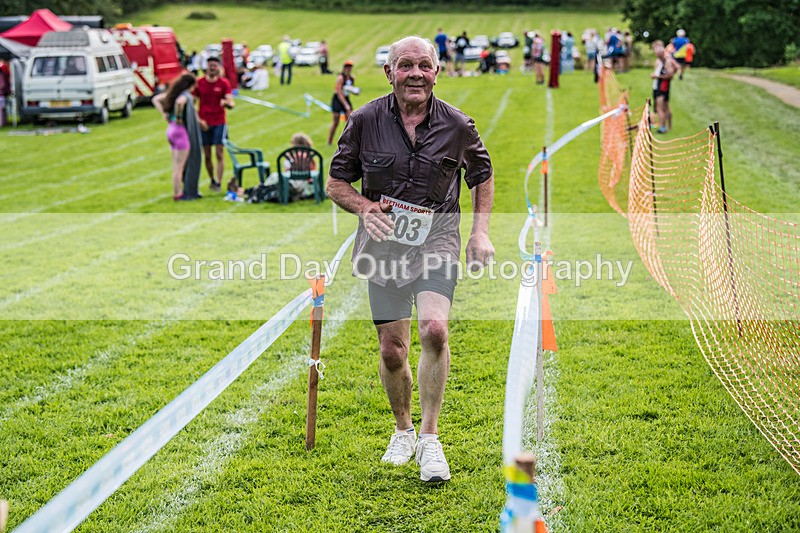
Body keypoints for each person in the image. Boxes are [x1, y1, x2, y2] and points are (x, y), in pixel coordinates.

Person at [325, 36, 495, 483]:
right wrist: (363, 207)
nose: (415, 74)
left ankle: (432, 440)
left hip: (437, 241)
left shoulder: (459, 126)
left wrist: (479, 232)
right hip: (383, 249)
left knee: (434, 331)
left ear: (437, 72)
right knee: (392, 350)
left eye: (424, 65)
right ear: (389, 73)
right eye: (405, 66)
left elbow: (483, 175)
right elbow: (336, 181)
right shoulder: (363, 121)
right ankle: (404, 430)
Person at [152, 73, 202, 200]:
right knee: (179, 167)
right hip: (181, 132)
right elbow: (181, 103)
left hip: (171, 130)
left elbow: (156, 99)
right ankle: (179, 193)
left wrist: (164, 113)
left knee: (176, 165)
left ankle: (178, 192)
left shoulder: (173, 93)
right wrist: (179, 117)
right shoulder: (184, 95)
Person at [194, 56, 234, 191]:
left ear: (219, 67)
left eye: (215, 65)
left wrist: (227, 103)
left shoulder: (224, 83)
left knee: (219, 153)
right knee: (207, 154)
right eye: (210, 65)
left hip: (219, 122)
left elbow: (230, 101)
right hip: (204, 122)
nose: (212, 68)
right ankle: (211, 178)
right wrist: (199, 120)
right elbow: (192, 102)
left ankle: (218, 181)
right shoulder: (199, 83)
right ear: (207, 66)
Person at [651, 40, 679, 134]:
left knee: (660, 108)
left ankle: (662, 127)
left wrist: (658, 76)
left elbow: (670, 74)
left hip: (662, 86)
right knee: (665, 106)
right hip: (662, 86)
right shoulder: (662, 60)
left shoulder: (666, 61)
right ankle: (669, 126)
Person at [328, 60, 356, 145]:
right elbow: (339, 92)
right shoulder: (340, 78)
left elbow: (350, 89)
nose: (348, 69)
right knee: (336, 121)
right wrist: (345, 104)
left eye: (350, 67)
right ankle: (330, 140)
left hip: (346, 98)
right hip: (338, 99)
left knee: (351, 120)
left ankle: (350, 140)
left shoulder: (352, 78)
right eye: (347, 67)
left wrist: (355, 91)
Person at [0, 58, 10, 127]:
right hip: (3, 94)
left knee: (2, 110)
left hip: (1, 94)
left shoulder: (2, 75)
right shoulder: (4, 74)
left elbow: (2, 85)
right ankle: (3, 122)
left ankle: (2, 123)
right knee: (3, 110)